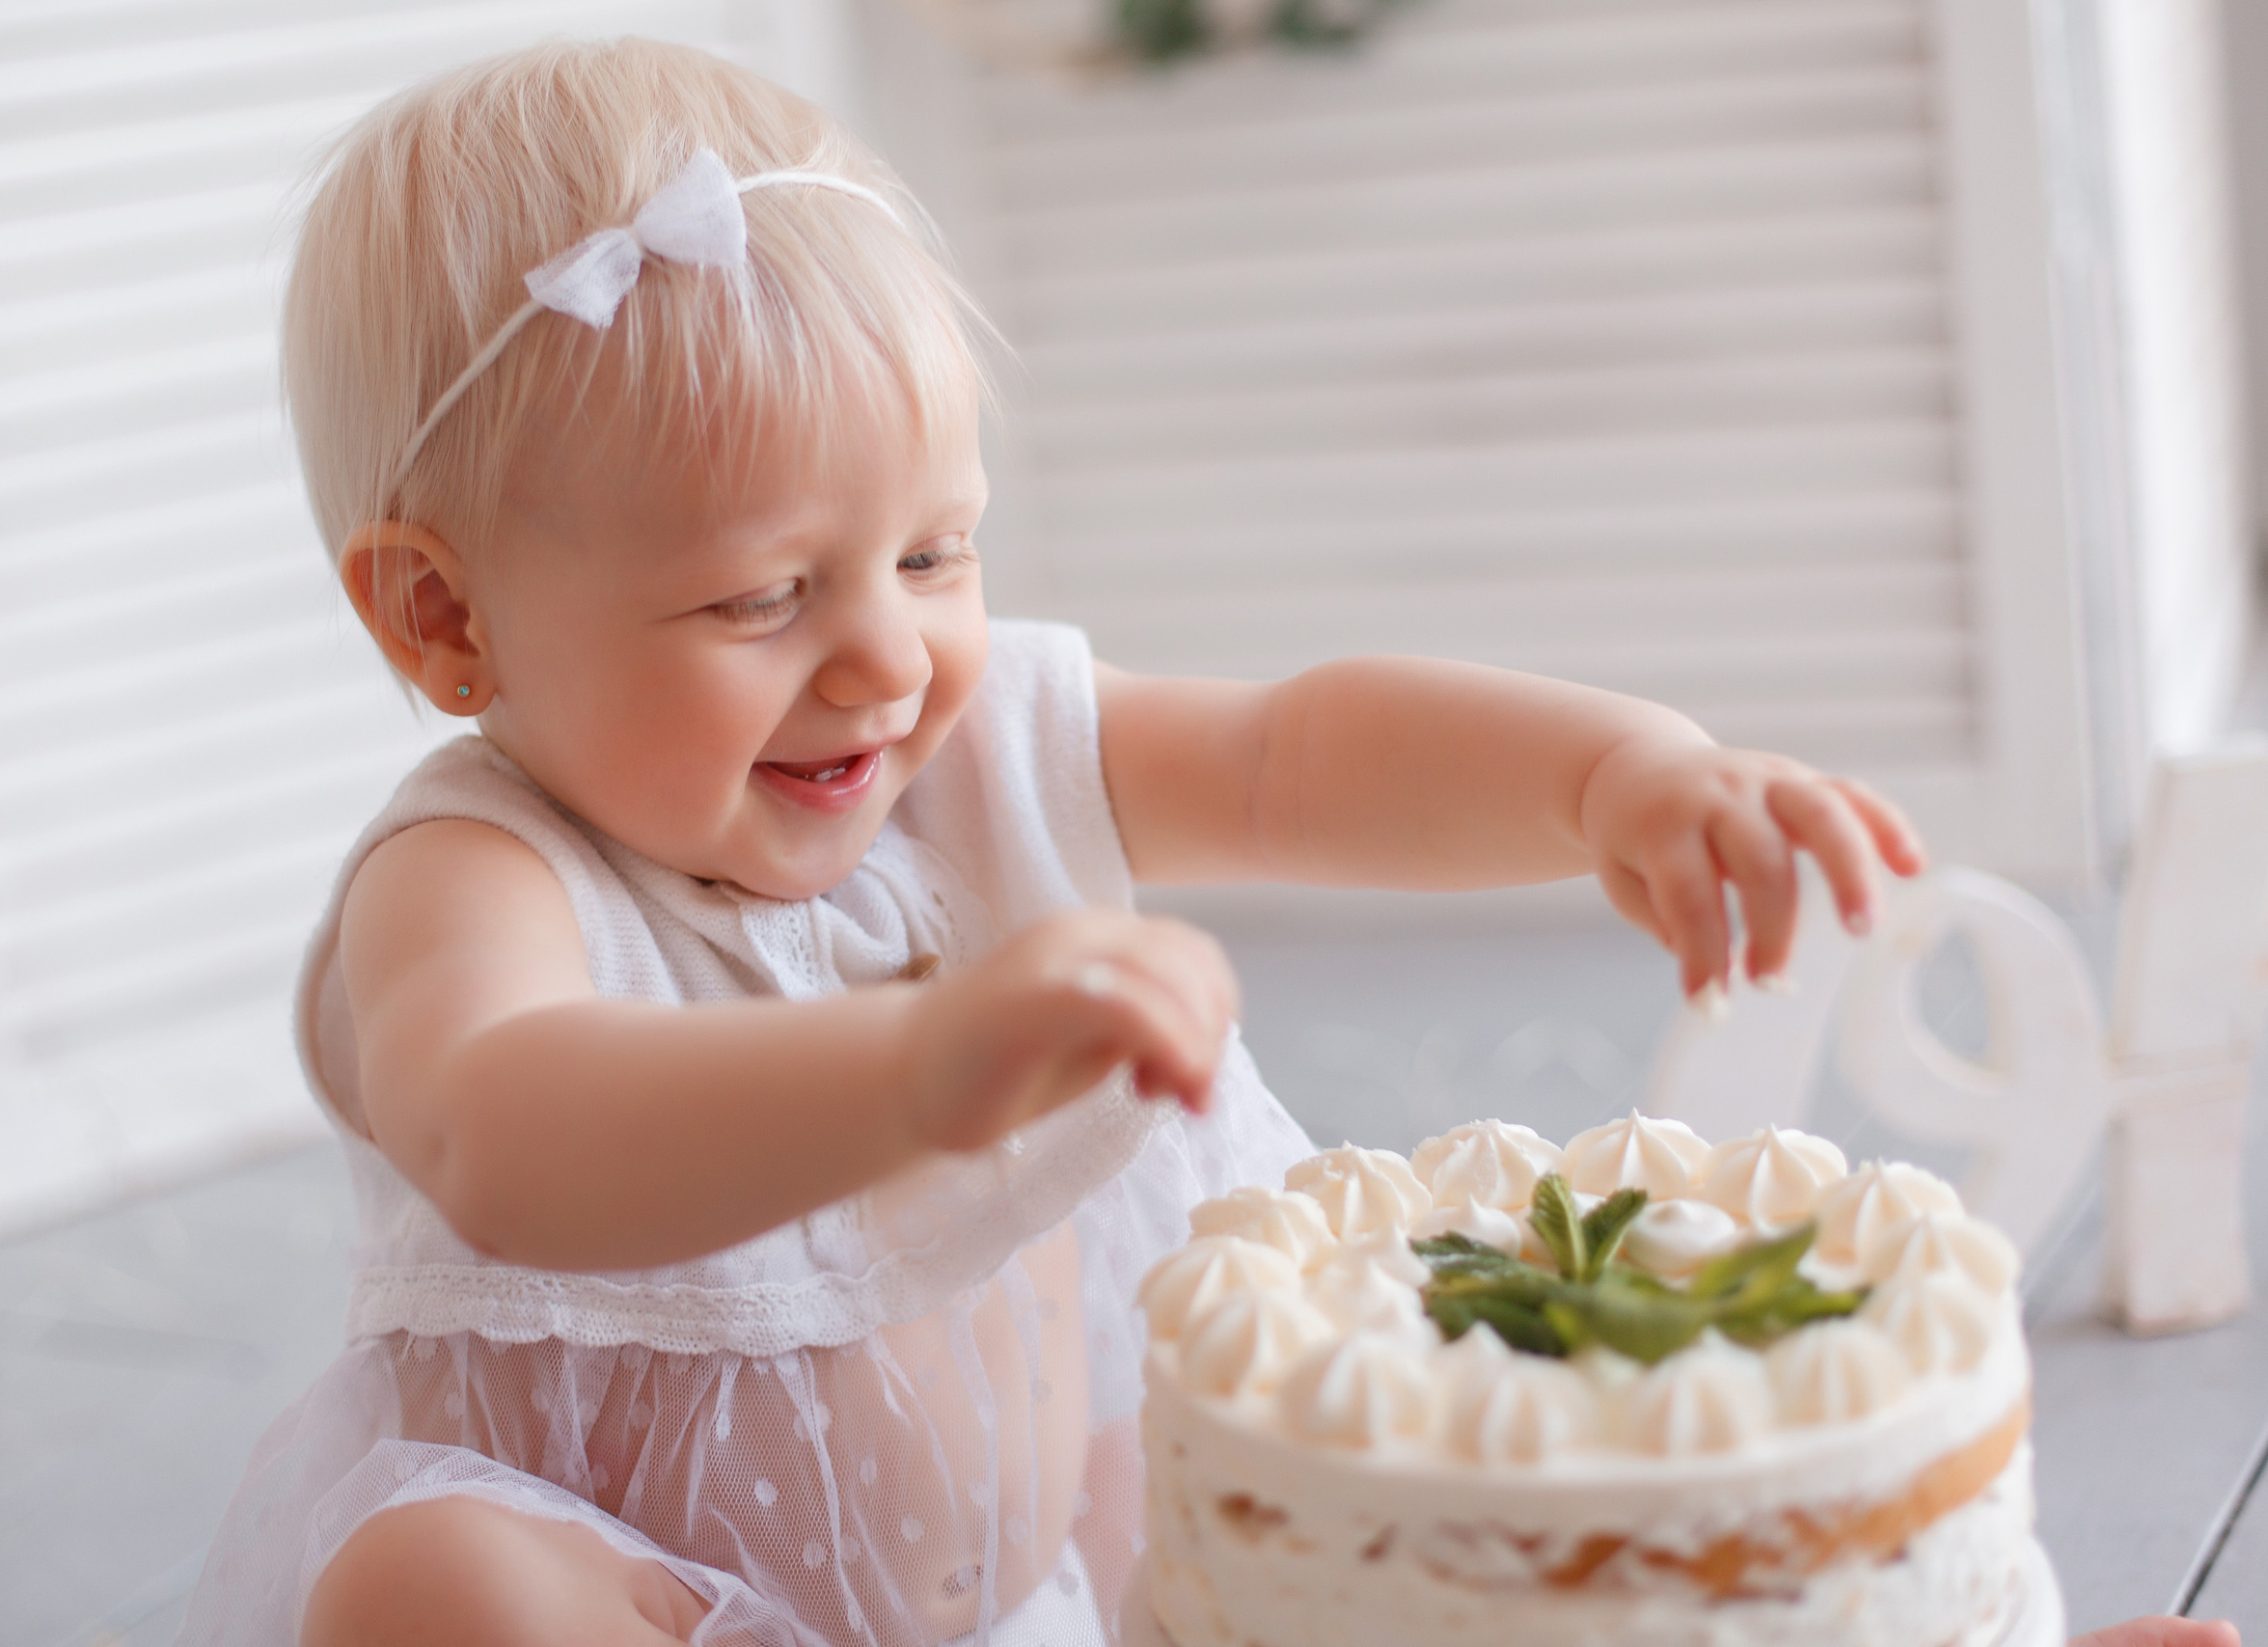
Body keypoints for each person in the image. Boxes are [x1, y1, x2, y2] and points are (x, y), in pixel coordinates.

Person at [177, 36, 2242, 1647]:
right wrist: (913, 1065)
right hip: (683, 1599)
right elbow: (511, 1124)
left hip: (1075, 1585)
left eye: (934, 551)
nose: (885, 659)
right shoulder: (474, 881)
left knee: (1417, 1503)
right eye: (761, 597)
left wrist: (1613, 776)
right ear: (444, 619)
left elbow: (1287, 751)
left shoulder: (966, 750)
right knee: (435, 1588)